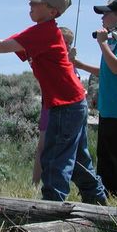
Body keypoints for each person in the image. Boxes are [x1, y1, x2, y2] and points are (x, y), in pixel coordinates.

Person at [0, 0, 106, 205]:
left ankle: (51, 207)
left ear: (52, 11)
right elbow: (11, 45)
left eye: (36, 1)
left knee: (54, 158)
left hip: (66, 105)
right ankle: (98, 203)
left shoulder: (44, 32)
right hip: (71, 103)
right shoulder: (41, 32)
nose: (30, 4)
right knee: (79, 161)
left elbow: (5, 46)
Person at [70, 0, 117, 199]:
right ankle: (109, 192)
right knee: (107, 155)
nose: (102, 17)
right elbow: (107, 70)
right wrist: (81, 64)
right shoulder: (113, 41)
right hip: (110, 107)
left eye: (106, 13)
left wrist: (102, 44)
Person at [32, 26, 75, 186]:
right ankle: (35, 182)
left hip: (66, 108)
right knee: (43, 146)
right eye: (66, 42)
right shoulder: (51, 58)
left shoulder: (69, 61)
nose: (68, 46)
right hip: (49, 106)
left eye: (70, 43)